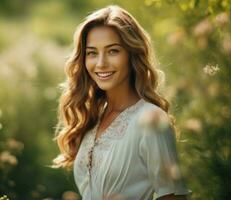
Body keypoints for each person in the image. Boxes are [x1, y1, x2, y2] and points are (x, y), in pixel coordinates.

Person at [53, 5, 191, 200]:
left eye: (113, 51)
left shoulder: (151, 120)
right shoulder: (94, 117)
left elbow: (173, 197)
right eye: (92, 53)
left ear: (131, 54)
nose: (100, 63)